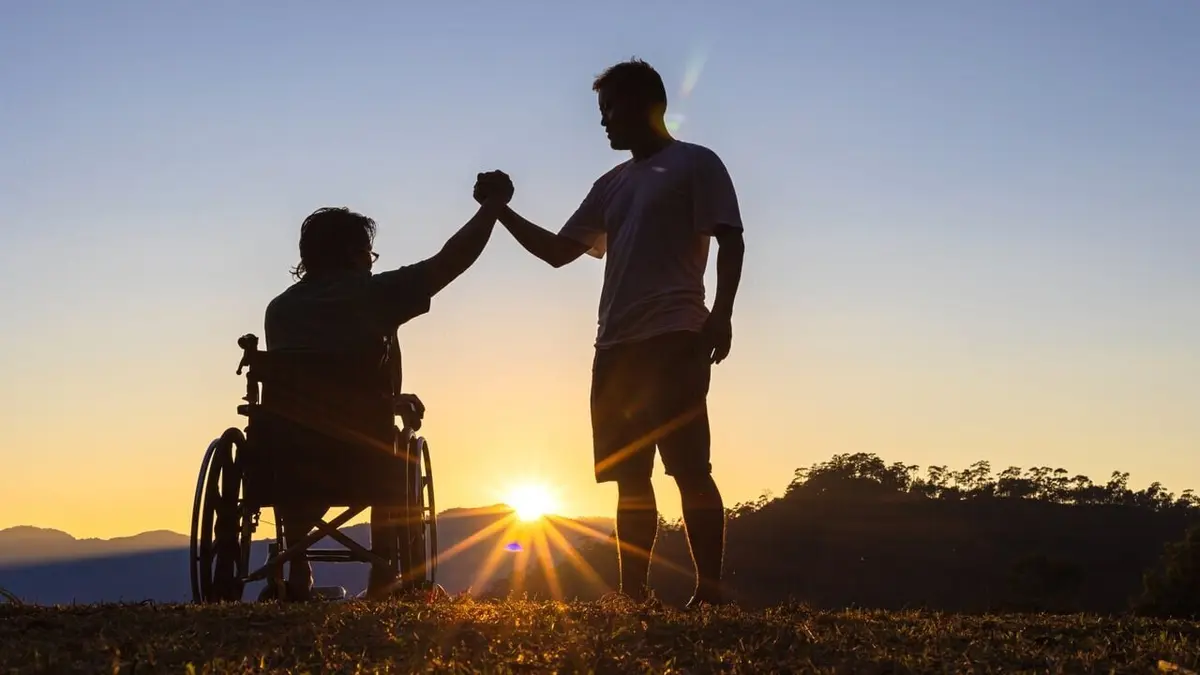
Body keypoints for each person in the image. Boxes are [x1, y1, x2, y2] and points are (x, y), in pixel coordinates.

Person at [475, 58, 745, 608]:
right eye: (601, 112)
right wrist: (501, 211)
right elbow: (556, 252)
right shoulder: (611, 185)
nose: (603, 122)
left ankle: (710, 593)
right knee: (630, 479)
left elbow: (731, 239)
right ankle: (633, 593)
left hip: (675, 336)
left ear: (648, 105)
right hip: (615, 346)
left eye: (611, 109)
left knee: (691, 468)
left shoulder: (696, 163)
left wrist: (721, 314)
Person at [262, 175, 513, 600]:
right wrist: (492, 207)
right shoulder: (376, 294)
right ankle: (387, 577)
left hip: (285, 458)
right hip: (361, 457)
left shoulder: (280, 309)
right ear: (356, 255)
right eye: (369, 253)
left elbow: (313, 392)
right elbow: (450, 261)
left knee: (296, 433)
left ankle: (296, 564)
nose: (372, 262)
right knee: (393, 451)